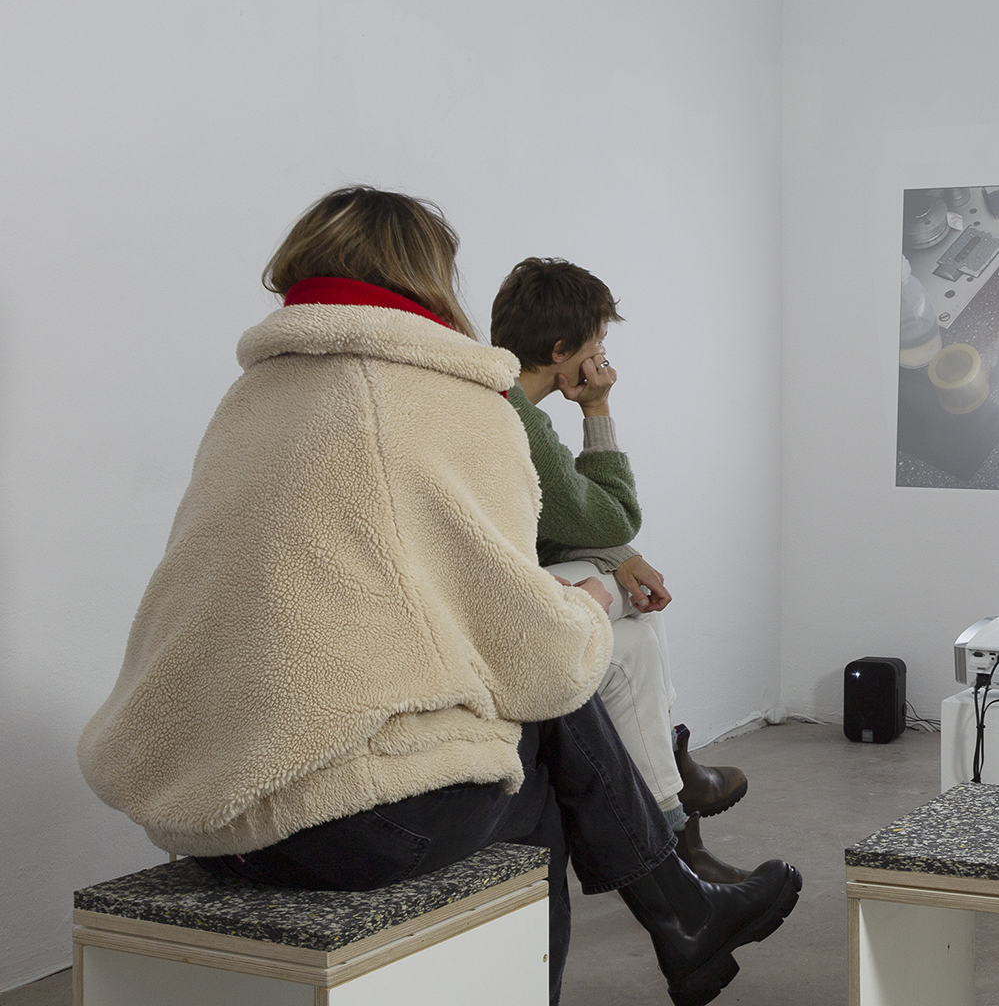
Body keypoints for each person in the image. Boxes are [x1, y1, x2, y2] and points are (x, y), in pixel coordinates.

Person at [76, 186, 799, 1006]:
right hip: (340, 824)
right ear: (428, 275)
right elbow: (541, 657)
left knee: (535, 709)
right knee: (542, 747)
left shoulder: (250, 400)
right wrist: (584, 609)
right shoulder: (452, 401)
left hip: (207, 811)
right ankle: (677, 915)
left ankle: (686, 916)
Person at [490, 257, 753, 884]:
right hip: (507, 610)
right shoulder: (516, 418)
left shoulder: (503, 404)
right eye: (598, 342)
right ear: (561, 351)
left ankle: (673, 805)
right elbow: (615, 515)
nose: (603, 355)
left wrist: (619, 557)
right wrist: (598, 408)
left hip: (515, 588)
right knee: (633, 612)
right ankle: (674, 802)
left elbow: (560, 525)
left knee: (633, 614)